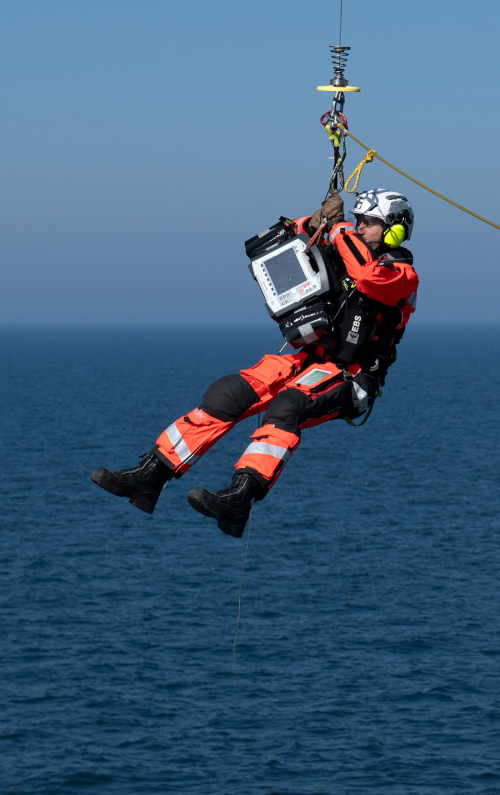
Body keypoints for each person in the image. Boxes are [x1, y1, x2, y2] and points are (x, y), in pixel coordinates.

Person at [90, 189, 419, 538]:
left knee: (288, 405)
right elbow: (293, 233)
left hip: (350, 377)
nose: (360, 226)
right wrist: (318, 219)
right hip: (308, 359)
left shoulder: (402, 275)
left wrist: (338, 229)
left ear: (394, 229)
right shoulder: (346, 248)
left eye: (370, 222)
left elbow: (368, 277)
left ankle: (239, 499)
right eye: (358, 220)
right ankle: (151, 475)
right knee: (228, 394)